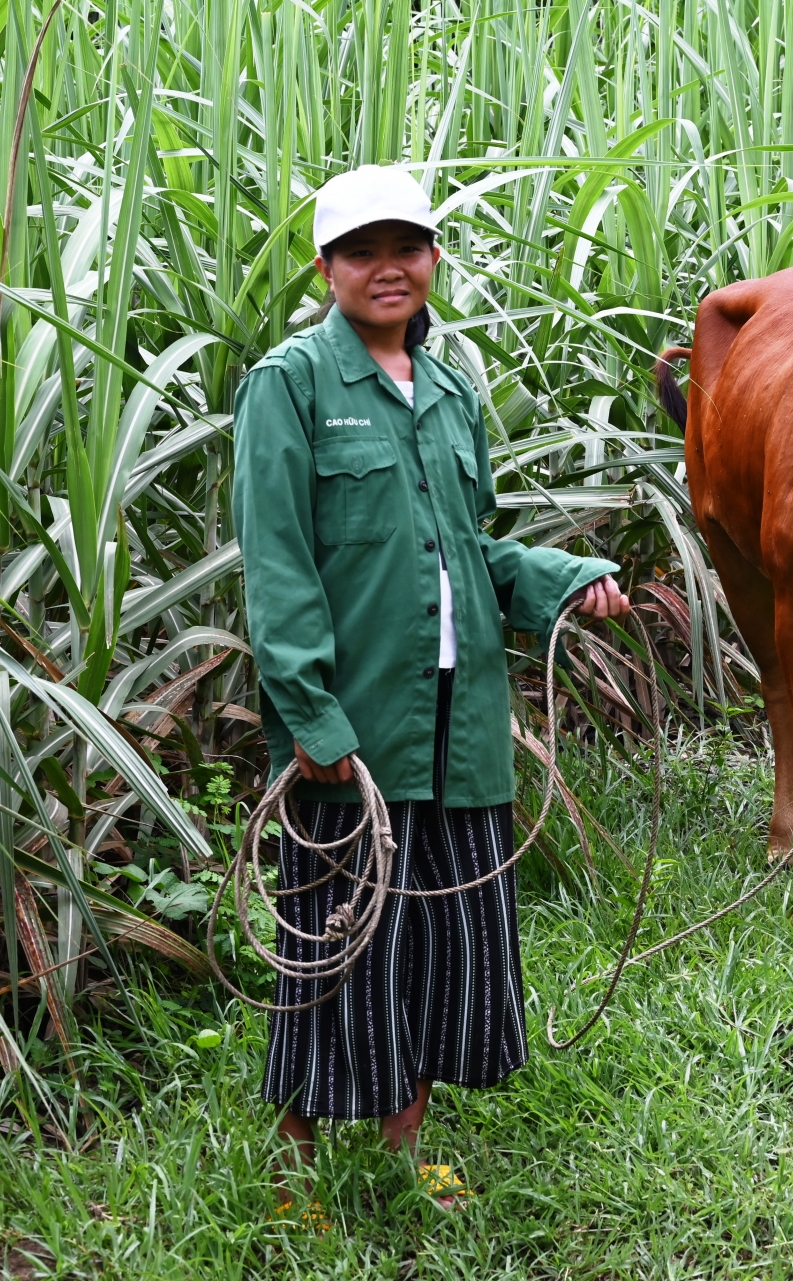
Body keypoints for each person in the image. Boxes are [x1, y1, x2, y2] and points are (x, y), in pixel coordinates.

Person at [231, 165, 629, 1220]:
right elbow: (276, 565)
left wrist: (564, 580)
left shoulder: (452, 393)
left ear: (434, 259)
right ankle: (295, 1169)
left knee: (438, 945)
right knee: (335, 943)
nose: (387, 268)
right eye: (362, 251)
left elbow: (470, 550)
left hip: (459, 726)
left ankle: (410, 1148)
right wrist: (312, 716)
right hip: (354, 730)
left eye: (406, 246)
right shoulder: (291, 384)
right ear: (326, 269)